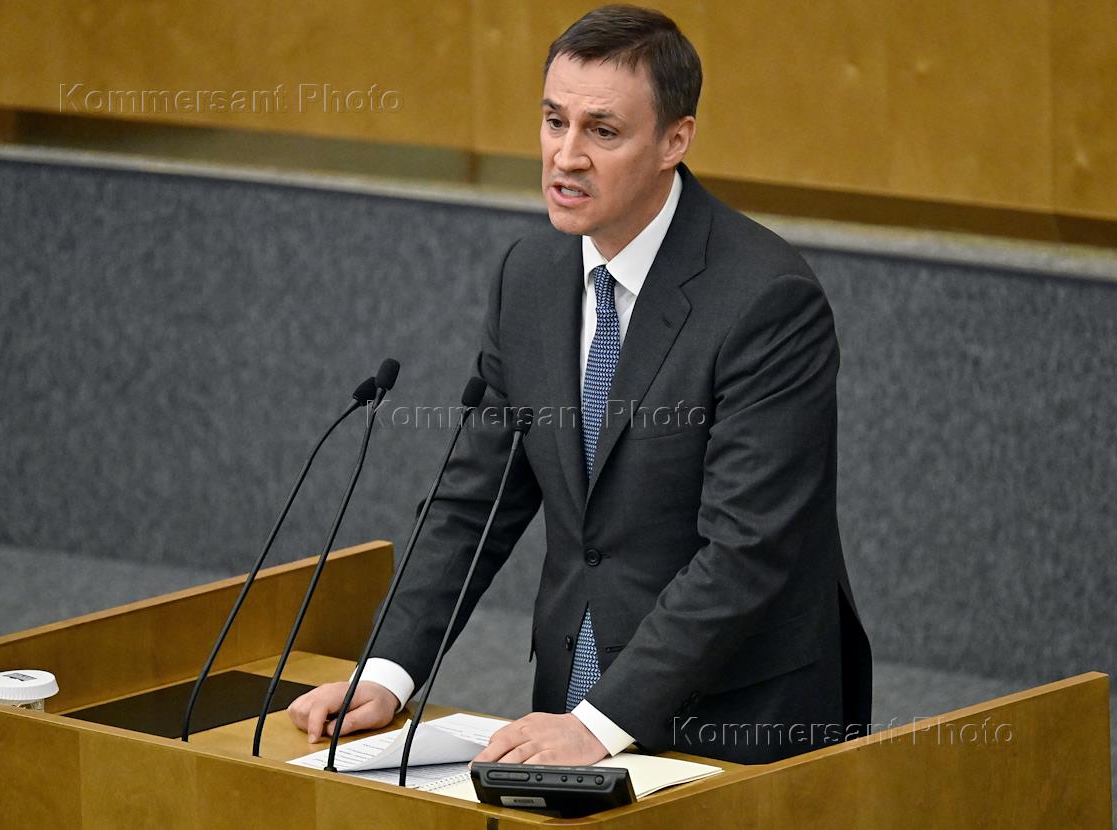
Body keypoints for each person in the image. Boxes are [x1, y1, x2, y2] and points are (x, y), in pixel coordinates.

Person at [288, 4, 872, 765]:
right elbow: (474, 501)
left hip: (735, 715)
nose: (566, 156)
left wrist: (601, 722)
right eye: (553, 121)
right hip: (574, 692)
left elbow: (747, 548)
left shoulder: (766, 300)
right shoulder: (530, 277)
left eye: (602, 131)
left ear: (675, 141)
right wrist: (388, 670)